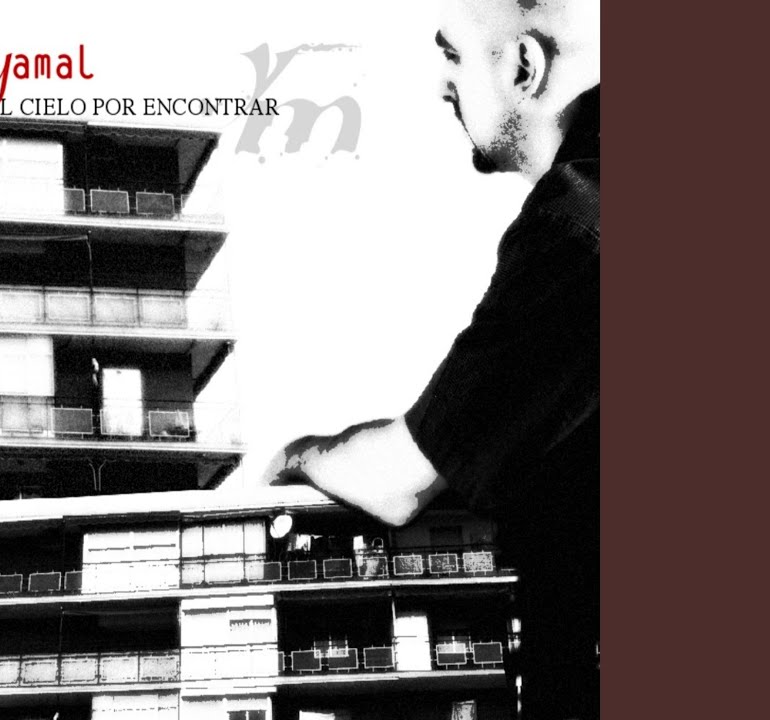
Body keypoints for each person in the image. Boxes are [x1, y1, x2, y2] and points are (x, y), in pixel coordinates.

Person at [261, 2, 600, 718]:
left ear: (524, 67)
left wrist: (299, 454)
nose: (439, 84)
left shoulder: (576, 229)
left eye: (453, 55)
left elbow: (398, 480)